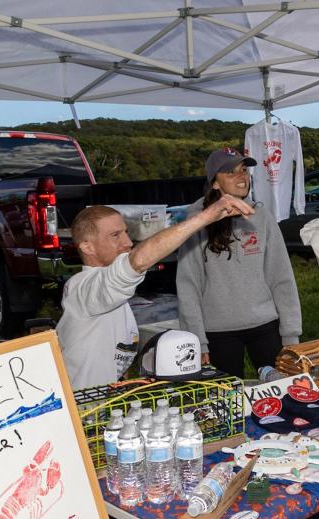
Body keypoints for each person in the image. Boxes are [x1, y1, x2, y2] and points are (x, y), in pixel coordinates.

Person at [57, 196, 253, 391]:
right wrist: (206, 217)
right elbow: (138, 260)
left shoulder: (110, 295)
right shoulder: (82, 288)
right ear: (87, 246)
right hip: (79, 410)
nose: (127, 242)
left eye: (126, 232)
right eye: (115, 235)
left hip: (106, 408)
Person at [177, 147, 302, 378]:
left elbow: (281, 276)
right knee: (227, 403)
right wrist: (198, 341)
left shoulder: (262, 216)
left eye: (244, 170)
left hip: (265, 325)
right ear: (215, 183)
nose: (242, 177)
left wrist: (291, 333)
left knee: (281, 394)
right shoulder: (197, 221)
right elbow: (188, 286)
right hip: (218, 331)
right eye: (231, 172)